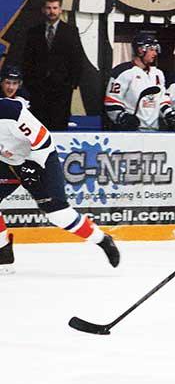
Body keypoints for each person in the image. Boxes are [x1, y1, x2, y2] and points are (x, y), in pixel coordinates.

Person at [0, 98, 120, 274]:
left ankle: (102, 239)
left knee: (58, 214)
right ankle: (3, 251)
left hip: (38, 158)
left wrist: (30, 166)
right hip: (5, 161)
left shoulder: (10, 111)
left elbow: (42, 139)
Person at [21, 0, 82, 130]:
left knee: (59, 124)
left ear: (60, 10)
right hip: (38, 89)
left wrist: (71, 84)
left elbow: (78, 59)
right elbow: (27, 60)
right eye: (48, 8)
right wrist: (30, 83)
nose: (52, 11)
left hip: (62, 90)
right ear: (43, 10)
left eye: (55, 8)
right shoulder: (33, 32)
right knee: (38, 127)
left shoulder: (71, 32)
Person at [104, 33, 165, 130]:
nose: (155, 53)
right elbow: (112, 101)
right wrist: (123, 117)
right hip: (130, 131)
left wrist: (169, 113)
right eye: (152, 50)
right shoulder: (122, 71)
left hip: (154, 130)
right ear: (141, 50)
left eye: (155, 50)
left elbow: (162, 99)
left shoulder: (158, 73)